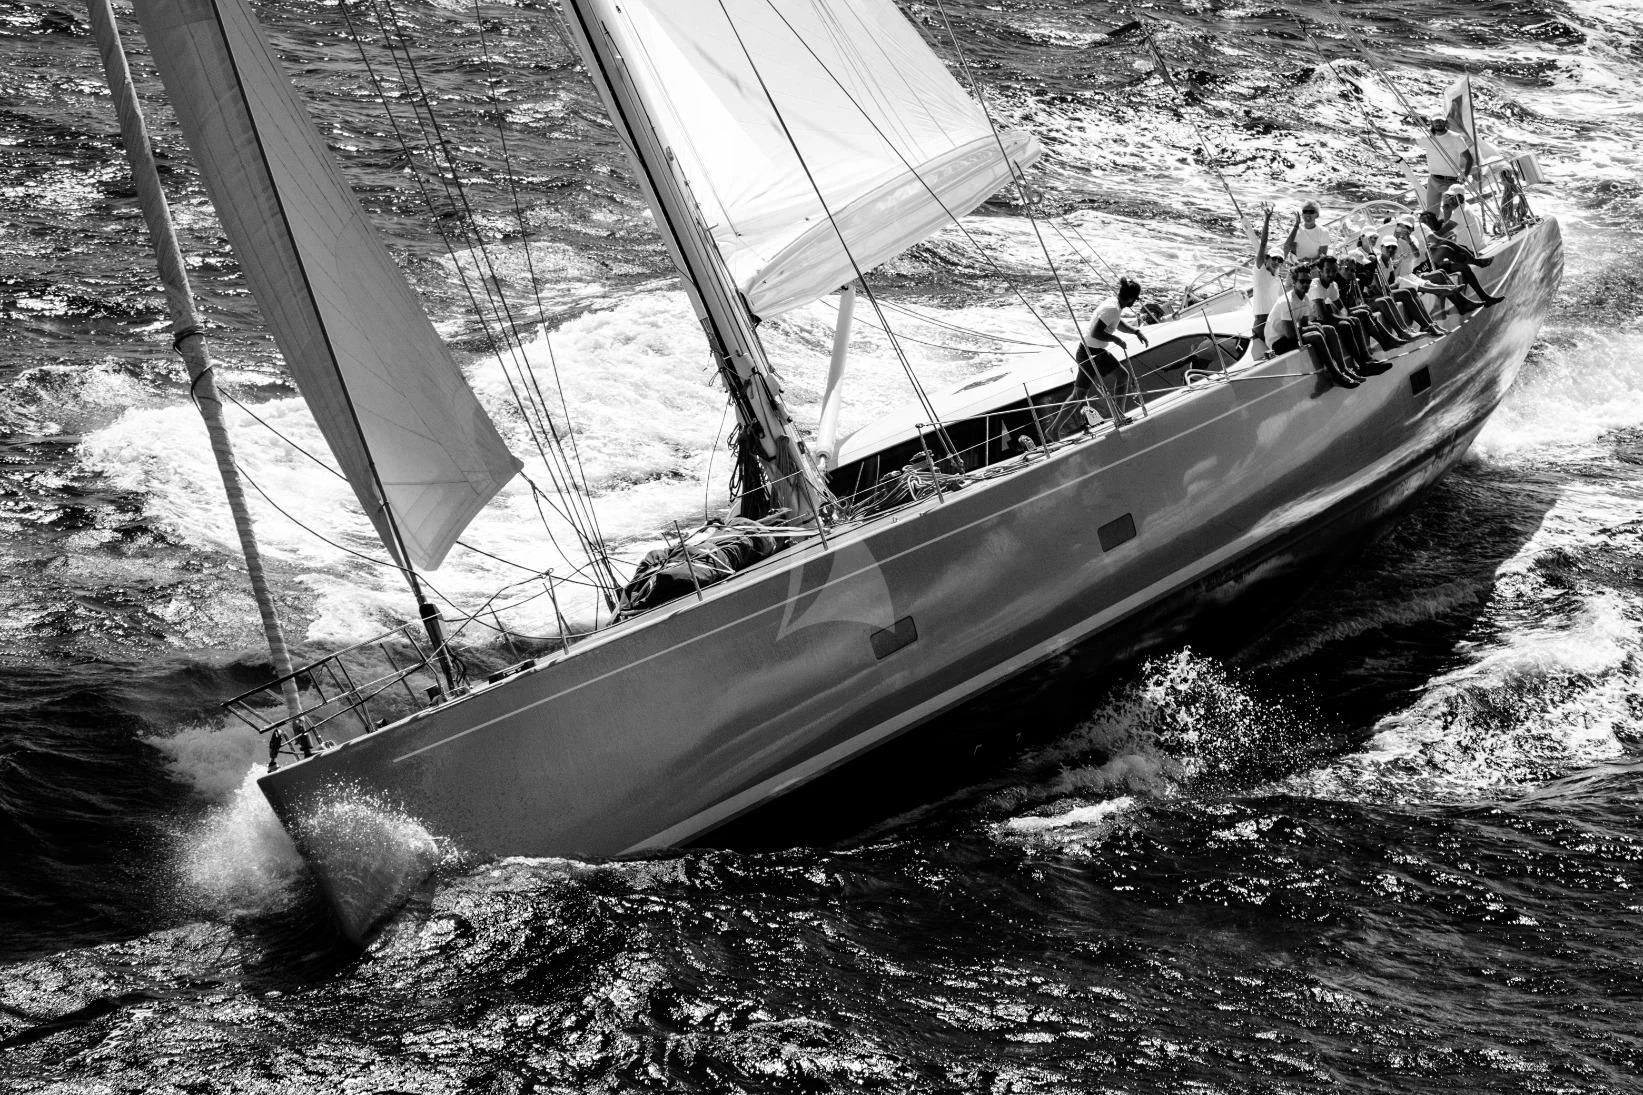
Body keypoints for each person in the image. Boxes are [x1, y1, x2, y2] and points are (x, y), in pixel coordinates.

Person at [1047, 277, 1150, 437]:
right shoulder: (1113, 309)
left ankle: (1053, 430)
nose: (1134, 302)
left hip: (1091, 351)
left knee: (1085, 392)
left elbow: (1117, 324)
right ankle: (1119, 416)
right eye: (1135, 299)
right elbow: (1096, 332)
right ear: (1131, 298)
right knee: (1116, 379)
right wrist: (1116, 340)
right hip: (1091, 354)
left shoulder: (1114, 305)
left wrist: (1136, 331)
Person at [1266, 265, 1359, 387]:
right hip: (1278, 341)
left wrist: (1316, 325)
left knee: (1329, 329)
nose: (1306, 284)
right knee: (1316, 336)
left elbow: (1304, 324)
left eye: (1308, 281)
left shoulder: (1305, 299)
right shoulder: (1287, 302)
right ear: (1294, 282)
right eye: (1302, 281)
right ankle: (1336, 374)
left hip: (1291, 335)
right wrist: (1314, 328)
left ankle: (1344, 369)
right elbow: (1290, 334)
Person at [1306, 257, 1381, 375]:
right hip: (1313, 321)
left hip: (1322, 318)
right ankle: (1362, 364)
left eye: (1334, 271)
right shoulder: (1316, 286)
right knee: (1345, 324)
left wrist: (1348, 317)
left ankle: (1367, 359)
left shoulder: (1332, 285)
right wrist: (1346, 318)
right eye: (1328, 271)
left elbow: (1341, 308)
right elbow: (1323, 316)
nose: (1331, 274)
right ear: (1320, 270)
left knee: (1354, 320)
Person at [1418, 211, 1505, 306]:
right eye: (1423, 220)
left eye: (1427, 220)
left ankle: (1485, 298)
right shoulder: (1421, 231)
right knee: (1445, 248)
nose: (1425, 222)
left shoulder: (1424, 231)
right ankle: (1475, 262)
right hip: (1425, 269)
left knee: (1463, 267)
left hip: (1433, 265)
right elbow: (1434, 246)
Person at [1405, 115, 1474, 215]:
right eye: (1436, 121)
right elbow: (1409, 140)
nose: (1438, 123)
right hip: (1433, 181)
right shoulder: (1429, 138)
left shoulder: (1456, 137)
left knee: (1454, 213)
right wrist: (1386, 136)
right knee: (1431, 214)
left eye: (1441, 121)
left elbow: (1469, 159)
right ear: (1431, 123)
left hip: (1451, 182)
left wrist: (1465, 175)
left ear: (1445, 122)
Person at [1249, 208, 1285, 356]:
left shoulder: (1275, 274)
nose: (1276, 261)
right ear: (1267, 258)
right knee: (1279, 351)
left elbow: (1287, 247)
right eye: (1274, 258)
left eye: (1280, 260)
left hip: (1273, 319)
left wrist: (1296, 226)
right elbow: (1263, 243)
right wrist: (1267, 219)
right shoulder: (1260, 271)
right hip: (1263, 322)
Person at [1439, 185, 1488, 251]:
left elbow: (1444, 233)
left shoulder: (1458, 213)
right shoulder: (1467, 206)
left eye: (1449, 197)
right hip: (1480, 244)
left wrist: (1446, 212)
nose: (1447, 200)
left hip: (1471, 249)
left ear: (1454, 199)